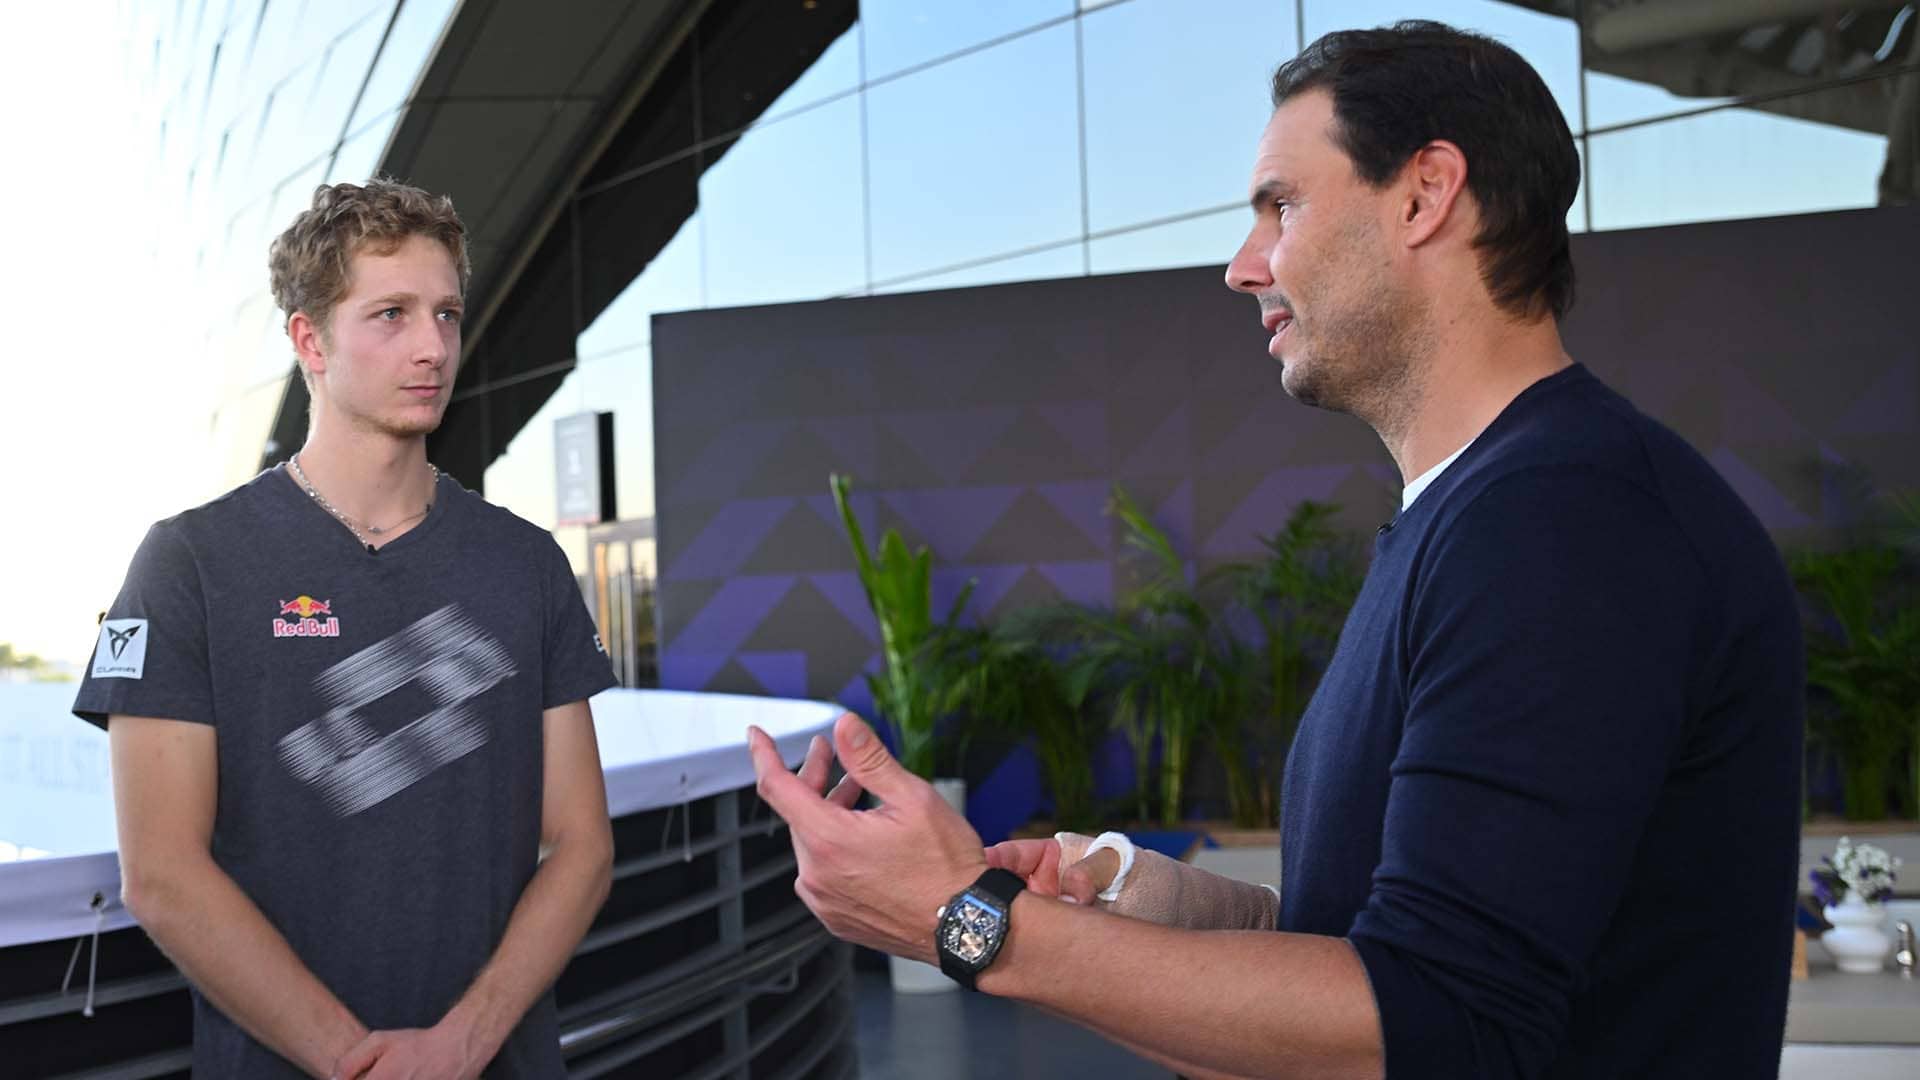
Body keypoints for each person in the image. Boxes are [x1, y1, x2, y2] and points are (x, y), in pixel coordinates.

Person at [747, 21, 1802, 1080]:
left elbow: (1443, 1027)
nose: (1243, 266)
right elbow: (1377, 950)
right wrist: (1128, 893)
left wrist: (968, 922)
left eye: (1281, 205)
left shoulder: (1567, 523)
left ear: (1425, 192)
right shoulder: (1487, 511)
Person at [73, 178, 619, 1079]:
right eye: (391, 314)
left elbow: (583, 844)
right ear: (308, 339)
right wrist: (356, 1062)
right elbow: (163, 874)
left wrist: (464, 1043)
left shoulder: (525, 563)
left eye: (445, 312)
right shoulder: (189, 563)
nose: (432, 346)